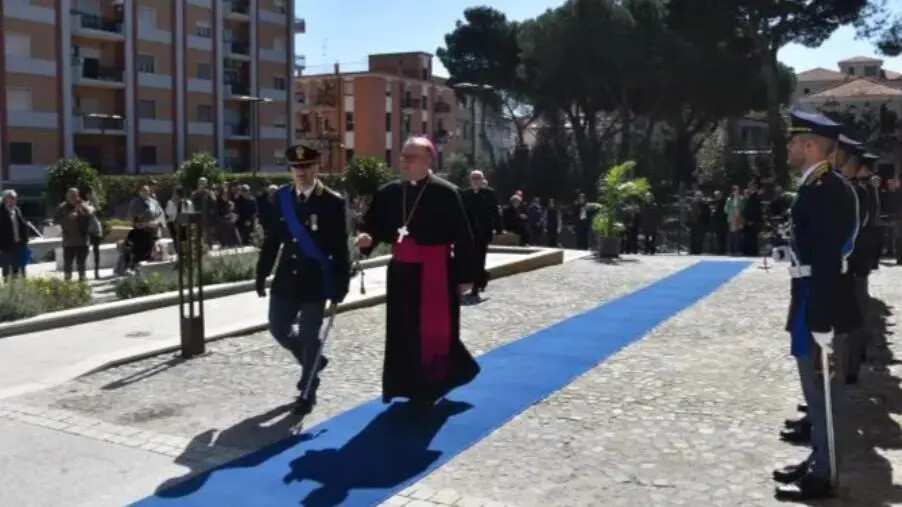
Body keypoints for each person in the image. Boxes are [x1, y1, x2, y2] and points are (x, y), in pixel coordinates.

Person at [355, 136, 479, 416]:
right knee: (403, 331)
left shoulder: (446, 193)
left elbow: (463, 237)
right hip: (401, 272)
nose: (404, 162)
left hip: (436, 272)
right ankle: (405, 385)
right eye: (403, 156)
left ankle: (433, 384)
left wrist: (465, 276)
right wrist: (366, 238)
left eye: (411, 157)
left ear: (427, 160)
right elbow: (372, 225)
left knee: (434, 331)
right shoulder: (389, 192)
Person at [772, 109, 858, 500]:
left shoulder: (827, 190)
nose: (788, 147)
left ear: (810, 145)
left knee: (824, 395)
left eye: (793, 141)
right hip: (809, 297)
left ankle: (825, 475)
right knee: (815, 394)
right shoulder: (816, 186)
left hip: (820, 304)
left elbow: (826, 259)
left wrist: (820, 320)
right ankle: (819, 458)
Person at [256, 143, 351, 414]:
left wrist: (341, 286)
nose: (301, 172)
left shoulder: (332, 201)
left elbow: (340, 247)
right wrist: (262, 273)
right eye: (296, 167)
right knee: (277, 326)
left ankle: (308, 389)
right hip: (286, 277)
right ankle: (314, 361)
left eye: (306, 166)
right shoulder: (281, 198)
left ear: (316, 167)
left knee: (310, 336)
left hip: (316, 280)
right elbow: (272, 239)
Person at [461, 170, 501, 300]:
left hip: (483, 232)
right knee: (470, 259)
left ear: (482, 180)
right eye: (473, 178)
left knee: (479, 259)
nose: (476, 181)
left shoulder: (489, 194)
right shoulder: (465, 194)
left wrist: (499, 228)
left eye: (478, 178)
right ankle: (482, 276)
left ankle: (476, 287)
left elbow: (495, 212)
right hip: (468, 232)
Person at [55, 187, 94, 281]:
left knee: (81, 266)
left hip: (82, 241)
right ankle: (67, 287)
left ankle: (82, 285)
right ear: (67, 196)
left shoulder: (83, 205)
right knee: (67, 266)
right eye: (70, 195)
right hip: (68, 242)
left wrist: (81, 212)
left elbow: (90, 217)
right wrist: (68, 218)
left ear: (78, 196)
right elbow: (56, 220)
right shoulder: (62, 207)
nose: (73, 197)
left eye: (75, 195)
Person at [0, 189, 29, 279]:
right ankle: (8, 291)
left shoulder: (17, 210)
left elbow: (22, 225)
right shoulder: (1, 212)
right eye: (11, 198)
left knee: (21, 271)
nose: (14, 200)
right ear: (5, 199)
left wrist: (25, 239)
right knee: (8, 272)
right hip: (7, 246)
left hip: (19, 244)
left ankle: (21, 290)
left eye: (15, 198)